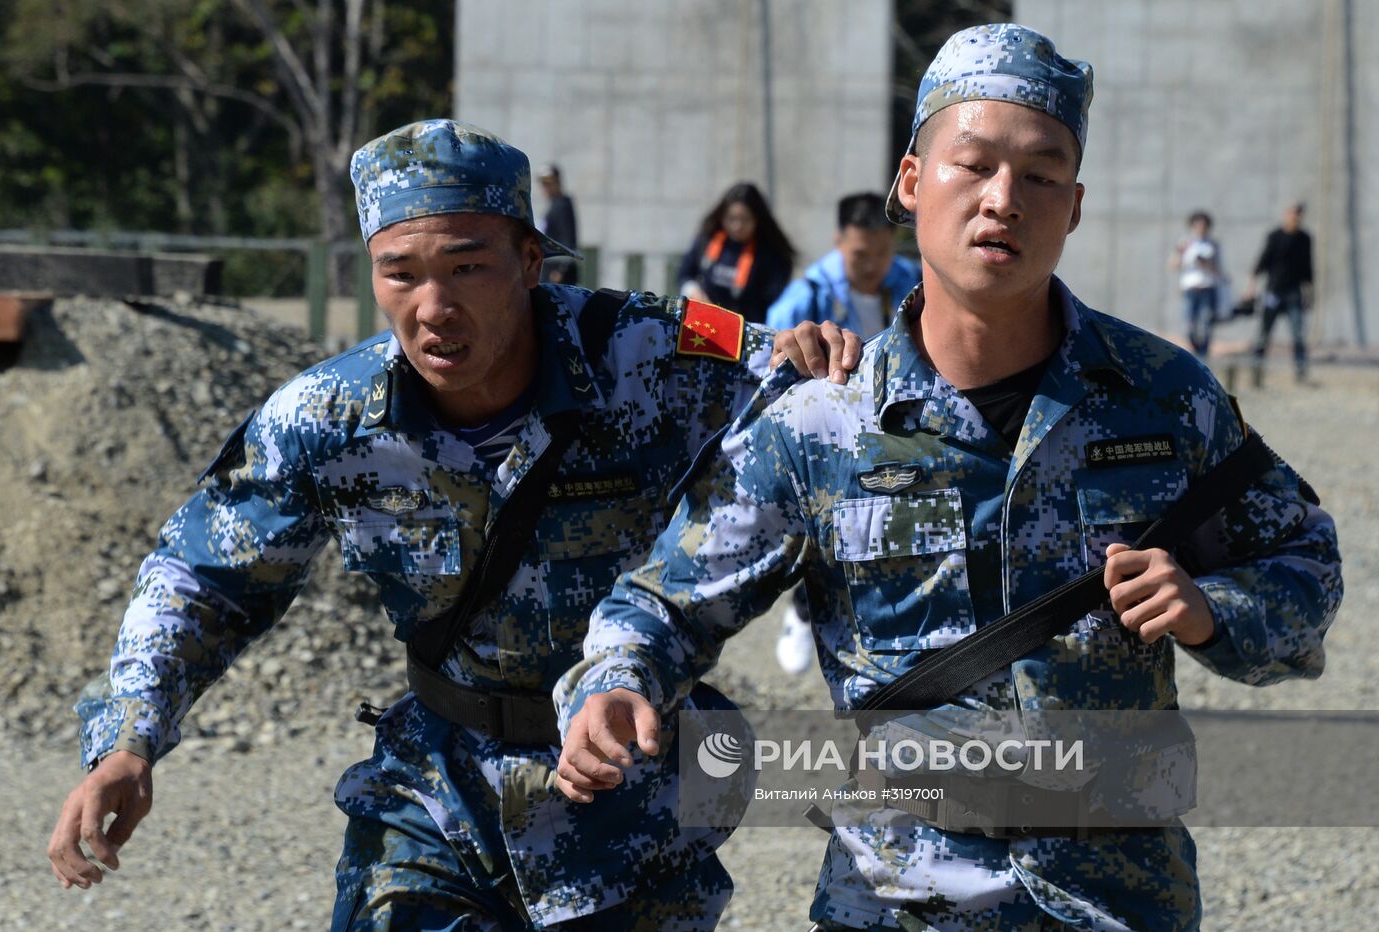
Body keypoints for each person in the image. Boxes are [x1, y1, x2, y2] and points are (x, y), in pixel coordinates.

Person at [557, 24, 1342, 931]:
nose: (1003, 199)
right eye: (973, 165)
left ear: (1075, 206)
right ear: (911, 181)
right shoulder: (822, 425)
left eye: (1041, 174)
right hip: (898, 901)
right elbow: (663, 603)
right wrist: (615, 682)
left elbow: (1305, 559)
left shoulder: (1166, 398)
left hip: (1116, 900)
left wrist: (1212, 610)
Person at [45, 119, 864, 930]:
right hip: (437, 795)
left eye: (468, 267)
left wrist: (820, 361)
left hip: (633, 803)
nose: (433, 307)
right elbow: (203, 578)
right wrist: (129, 740)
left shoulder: (654, 359)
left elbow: (823, 417)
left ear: (530, 262)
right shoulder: (330, 419)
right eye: (399, 273)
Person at [765, 191, 923, 675]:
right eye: (860, 254)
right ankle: (803, 610)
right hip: (829, 436)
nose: (873, 265)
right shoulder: (808, 294)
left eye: (883, 252)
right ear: (838, 243)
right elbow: (766, 363)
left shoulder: (911, 282)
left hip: (901, 427)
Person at [676, 181, 795, 319]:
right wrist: (694, 291)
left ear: (757, 219)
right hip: (703, 324)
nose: (737, 226)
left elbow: (774, 301)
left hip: (747, 330)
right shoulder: (707, 240)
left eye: (745, 219)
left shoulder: (771, 255)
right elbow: (685, 274)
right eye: (731, 218)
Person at [1245, 202, 1314, 384]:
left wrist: (1310, 293)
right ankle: (1256, 374)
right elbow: (1261, 262)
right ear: (1286, 215)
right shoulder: (1275, 236)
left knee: (1298, 334)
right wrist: (1251, 287)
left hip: (1294, 292)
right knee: (1264, 334)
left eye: (1298, 215)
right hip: (1273, 291)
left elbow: (1308, 268)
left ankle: (1301, 374)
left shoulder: (1305, 238)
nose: (1295, 218)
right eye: (1292, 214)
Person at [1168, 210, 1225, 356]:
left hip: (1207, 288)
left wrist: (1205, 263)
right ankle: (1197, 351)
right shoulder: (1185, 243)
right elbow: (1173, 265)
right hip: (1190, 289)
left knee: (1206, 325)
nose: (1200, 228)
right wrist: (1181, 253)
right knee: (1189, 326)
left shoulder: (1213, 244)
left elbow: (1219, 271)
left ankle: (1204, 354)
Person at [538, 163, 579, 285]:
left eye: (550, 183)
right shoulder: (553, 205)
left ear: (558, 182)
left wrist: (561, 270)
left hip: (556, 271)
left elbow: (569, 239)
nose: (546, 187)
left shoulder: (562, 205)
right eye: (544, 183)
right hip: (548, 268)